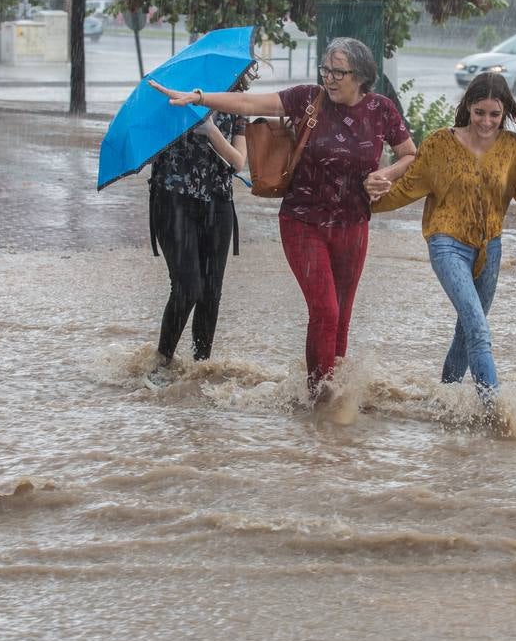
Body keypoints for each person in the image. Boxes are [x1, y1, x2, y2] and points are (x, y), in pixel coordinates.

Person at [150, 37, 417, 398]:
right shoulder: (308, 98)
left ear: (361, 76)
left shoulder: (381, 109)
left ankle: (332, 394)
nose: (329, 78)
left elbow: (409, 154)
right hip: (302, 221)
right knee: (325, 310)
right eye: (326, 69)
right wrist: (199, 98)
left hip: (353, 224)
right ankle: (317, 398)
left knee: (341, 316)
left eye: (339, 72)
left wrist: (386, 175)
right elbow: (249, 102)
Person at [368, 71, 516, 410]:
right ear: (468, 107)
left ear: (504, 112)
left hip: (490, 249)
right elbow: (406, 189)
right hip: (446, 243)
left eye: (494, 114)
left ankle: (444, 402)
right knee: (478, 329)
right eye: (479, 112)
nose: (486, 121)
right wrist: (365, 201)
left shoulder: (511, 147)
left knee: (467, 331)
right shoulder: (439, 144)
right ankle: (495, 413)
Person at [145, 73, 250, 384]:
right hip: (172, 200)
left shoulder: (236, 103)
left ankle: (200, 370)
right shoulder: (174, 98)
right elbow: (148, 147)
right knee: (188, 287)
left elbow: (238, 162)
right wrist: (179, 122)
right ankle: (162, 363)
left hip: (218, 203)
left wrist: (211, 130)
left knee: (210, 293)